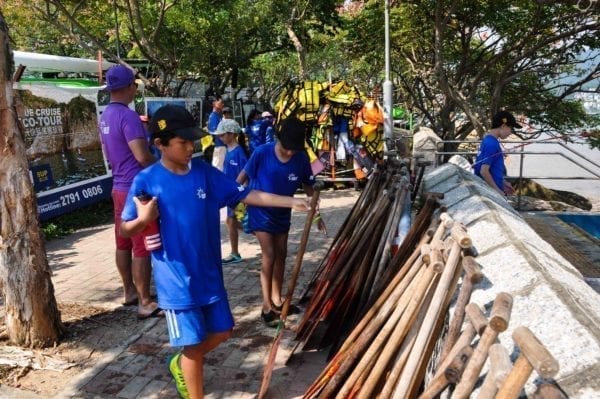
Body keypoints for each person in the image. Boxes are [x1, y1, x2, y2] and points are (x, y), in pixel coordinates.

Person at [119, 105, 310, 399]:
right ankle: (190, 375)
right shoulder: (147, 180)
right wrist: (144, 220)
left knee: (223, 330)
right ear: (160, 144)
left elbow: (244, 193)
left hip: (209, 273)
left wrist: (289, 202)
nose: (190, 147)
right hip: (177, 280)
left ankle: (180, 363)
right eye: (182, 143)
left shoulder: (204, 173)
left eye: (191, 141)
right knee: (194, 347)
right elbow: (125, 229)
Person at [236, 117, 326, 327]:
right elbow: (240, 179)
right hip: (260, 210)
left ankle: (277, 298)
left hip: (283, 213)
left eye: (294, 149)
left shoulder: (301, 158)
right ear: (278, 139)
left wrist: (317, 214)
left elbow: (309, 187)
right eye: (286, 148)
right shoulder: (262, 153)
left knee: (282, 253)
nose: (290, 153)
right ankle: (267, 306)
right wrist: (236, 203)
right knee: (268, 254)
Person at [98, 64, 160, 319]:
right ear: (129, 87)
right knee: (141, 246)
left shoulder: (106, 115)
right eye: (135, 84)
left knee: (122, 242)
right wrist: (167, 165)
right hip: (135, 188)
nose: (136, 88)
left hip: (118, 187)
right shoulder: (128, 116)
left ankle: (129, 292)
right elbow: (142, 156)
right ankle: (145, 301)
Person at [212, 119, 248, 264]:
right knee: (233, 222)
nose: (220, 138)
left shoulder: (239, 153)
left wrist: (244, 195)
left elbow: (246, 175)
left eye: (222, 135)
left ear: (231, 134)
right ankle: (253, 231)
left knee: (232, 221)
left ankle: (235, 253)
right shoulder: (228, 151)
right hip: (230, 194)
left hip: (237, 195)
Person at [474, 110, 522, 197]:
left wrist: (503, 182)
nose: (511, 132)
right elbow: (483, 171)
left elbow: (491, 169)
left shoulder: (488, 140)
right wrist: (498, 192)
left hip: (489, 190)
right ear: (503, 126)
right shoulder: (491, 144)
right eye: (511, 128)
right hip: (490, 193)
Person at [207, 98, 226, 171]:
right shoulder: (214, 116)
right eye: (220, 102)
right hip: (219, 146)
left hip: (222, 146)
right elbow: (214, 132)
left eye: (222, 103)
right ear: (214, 103)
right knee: (218, 168)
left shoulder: (218, 116)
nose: (222, 104)